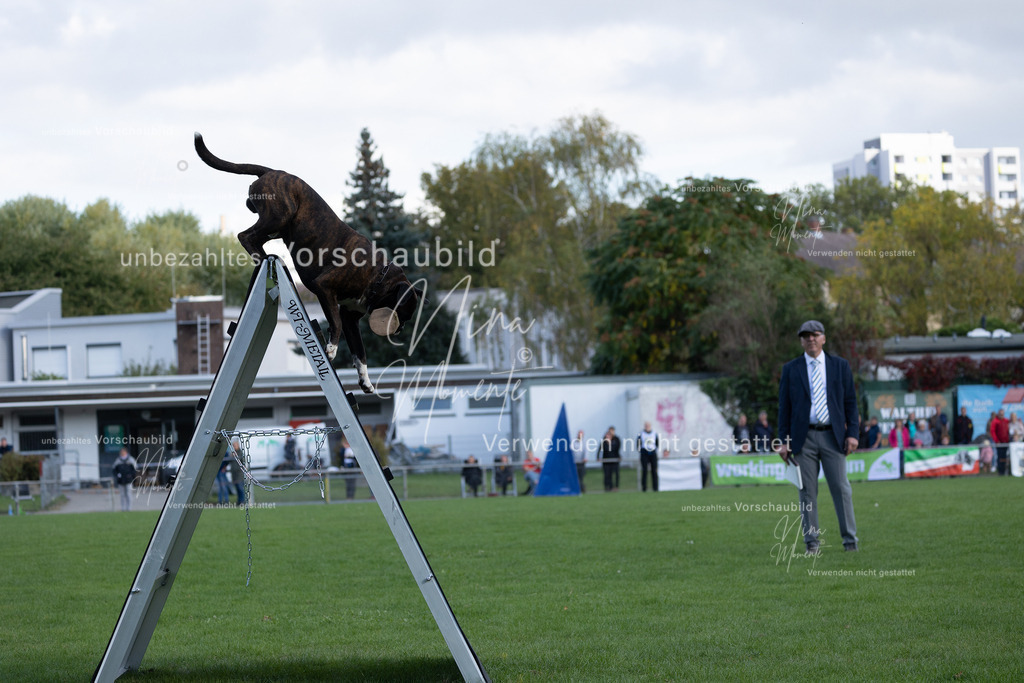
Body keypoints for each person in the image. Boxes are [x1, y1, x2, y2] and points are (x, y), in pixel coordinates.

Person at [776, 320, 859, 554]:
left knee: (842, 490)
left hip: (834, 437)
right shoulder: (791, 369)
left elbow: (851, 403)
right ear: (801, 341)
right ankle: (812, 543)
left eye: (815, 334)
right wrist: (783, 440)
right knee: (806, 493)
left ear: (824, 338)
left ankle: (850, 541)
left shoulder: (840, 366)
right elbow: (785, 408)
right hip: (804, 440)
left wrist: (853, 433)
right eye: (806, 335)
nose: (811, 339)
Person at [112, 447, 138, 512]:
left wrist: (131, 476)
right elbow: (114, 469)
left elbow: (135, 469)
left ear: (126, 452)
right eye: (121, 452)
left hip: (128, 480)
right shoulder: (118, 460)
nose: (122, 453)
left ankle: (129, 508)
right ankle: (123, 508)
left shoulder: (130, 459)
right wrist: (117, 475)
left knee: (128, 494)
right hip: (121, 480)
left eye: (123, 452)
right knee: (122, 495)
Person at [637, 421, 660, 492]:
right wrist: (642, 451)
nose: (647, 427)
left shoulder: (654, 433)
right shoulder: (641, 434)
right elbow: (638, 444)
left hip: (652, 453)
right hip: (644, 453)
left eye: (648, 425)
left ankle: (655, 488)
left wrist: (653, 450)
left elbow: (657, 443)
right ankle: (644, 488)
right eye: (646, 425)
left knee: (654, 471)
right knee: (644, 471)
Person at [599, 427, 621, 492]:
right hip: (606, 460)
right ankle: (607, 487)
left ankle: (616, 486)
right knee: (607, 474)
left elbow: (617, 449)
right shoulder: (604, 440)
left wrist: (619, 456)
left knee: (616, 474)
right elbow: (600, 448)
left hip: (614, 460)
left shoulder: (616, 439)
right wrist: (598, 457)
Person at [990, 409, 1010, 475]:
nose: (1001, 415)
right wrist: (996, 441)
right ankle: (1000, 471)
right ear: (998, 414)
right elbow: (993, 432)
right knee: (1000, 457)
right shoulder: (995, 421)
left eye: (1002, 414)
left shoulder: (1006, 421)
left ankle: (1005, 470)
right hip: (999, 443)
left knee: (1005, 457)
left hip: (1006, 442)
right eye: (1000, 414)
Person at [229, 437, 246, 506]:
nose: (234, 447)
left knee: (240, 487)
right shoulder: (232, 453)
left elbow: (243, 462)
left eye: (235, 445)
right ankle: (239, 501)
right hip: (234, 474)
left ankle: (242, 501)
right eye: (233, 445)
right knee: (237, 488)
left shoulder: (240, 453)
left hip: (239, 474)